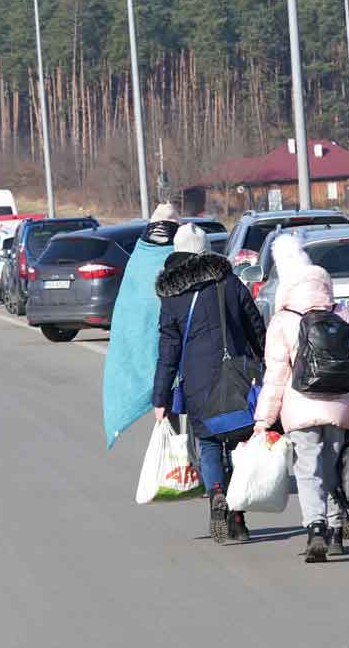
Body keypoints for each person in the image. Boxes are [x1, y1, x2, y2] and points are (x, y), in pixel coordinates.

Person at [252, 234, 349, 563]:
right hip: (341, 405)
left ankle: (315, 528)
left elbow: (275, 376)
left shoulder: (283, 320)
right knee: (332, 468)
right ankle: (336, 531)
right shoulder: (343, 314)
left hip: (299, 406)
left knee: (308, 470)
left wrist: (263, 420)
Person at [153, 223, 266, 544]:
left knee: (209, 443)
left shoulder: (172, 295)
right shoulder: (229, 282)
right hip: (239, 378)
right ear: (205, 250)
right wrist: (268, 366)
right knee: (242, 443)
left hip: (197, 383)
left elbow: (168, 350)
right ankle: (239, 517)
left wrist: (160, 397)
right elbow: (256, 326)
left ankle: (216, 491)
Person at [103, 203, 182, 449]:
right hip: (182, 341)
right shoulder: (179, 252)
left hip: (157, 346)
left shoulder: (140, 255)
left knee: (166, 403)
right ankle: (195, 463)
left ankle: (180, 458)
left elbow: (130, 306)